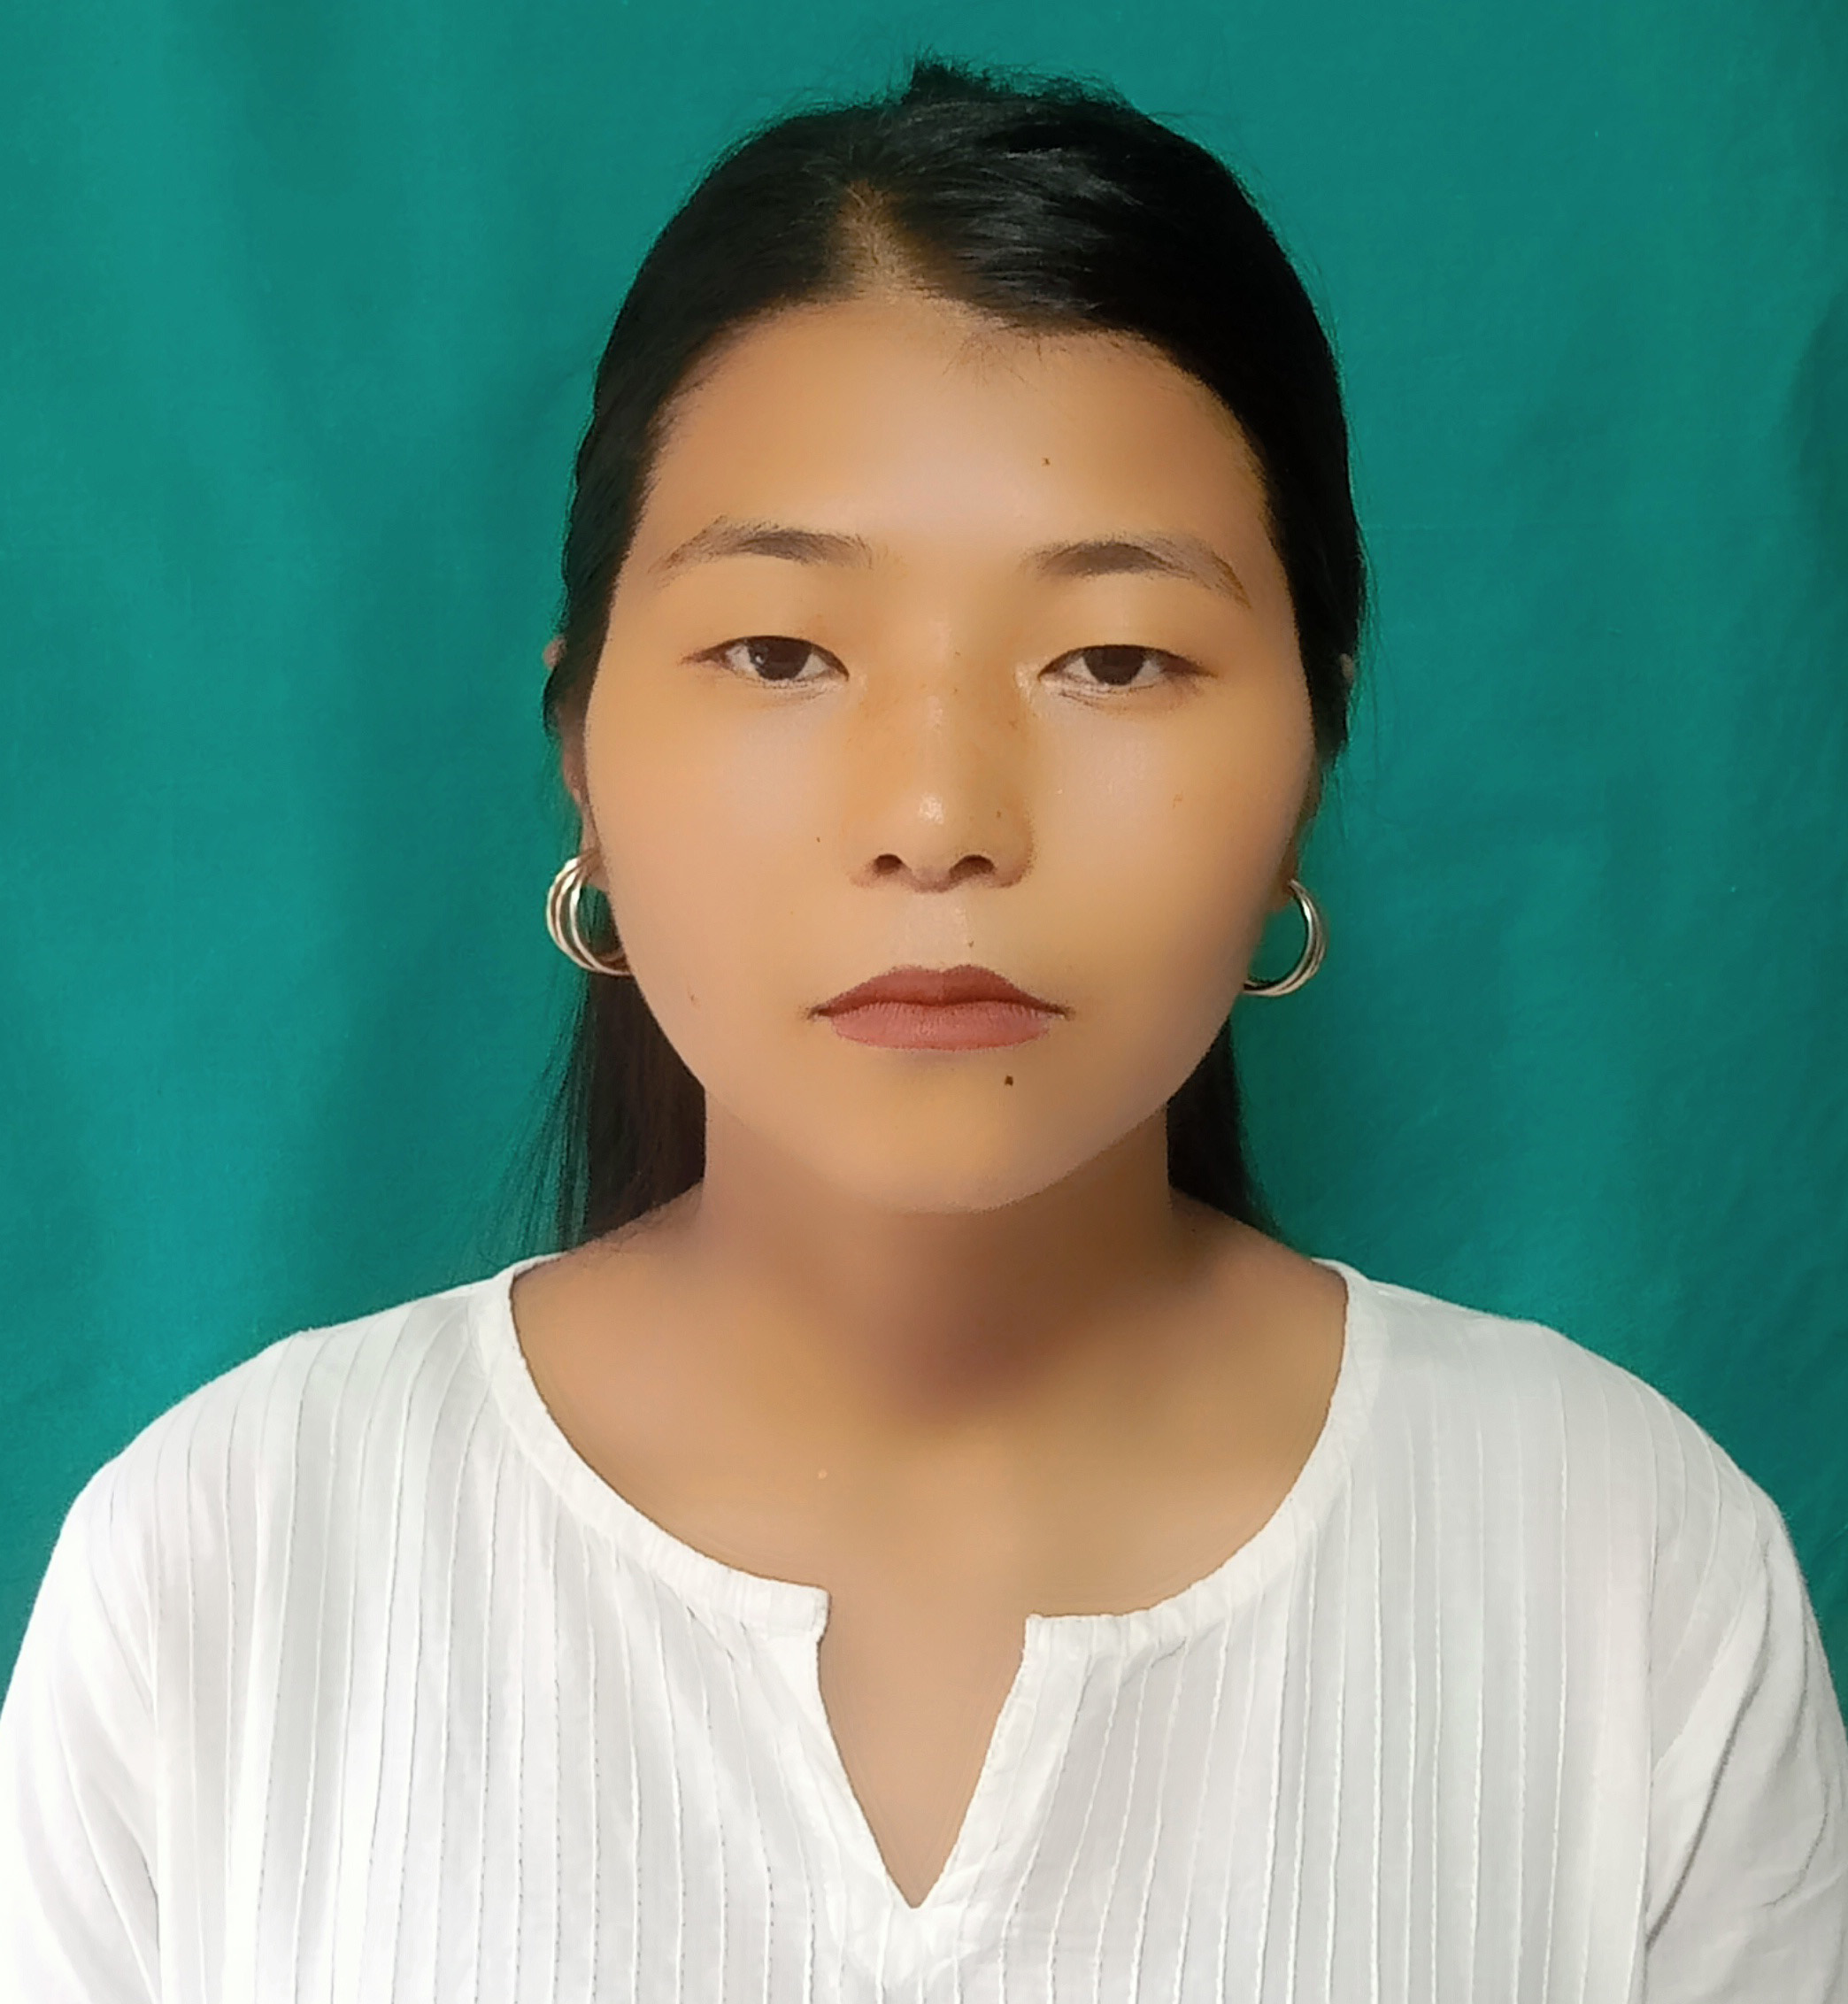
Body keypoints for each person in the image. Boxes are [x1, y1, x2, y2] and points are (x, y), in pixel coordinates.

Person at [2, 51, 1844, 2002]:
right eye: (779, 651)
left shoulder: (1624, 1571)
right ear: (582, 755)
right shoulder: (226, 1568)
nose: (942, 814)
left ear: (1312, 755)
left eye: (1113, 657)